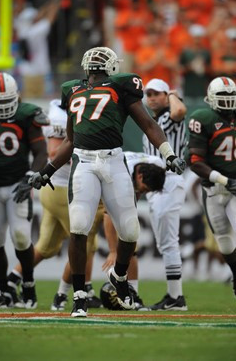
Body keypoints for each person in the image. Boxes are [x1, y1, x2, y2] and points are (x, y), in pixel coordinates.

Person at [28, 46, 186, 318]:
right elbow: (73, 139)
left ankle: (120, 277)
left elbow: (147, 125)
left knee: (129, 231)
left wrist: (168, 153)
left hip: (113, 161)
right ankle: (79, 297)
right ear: (111, 67)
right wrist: (48, 170)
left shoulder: (108, 88)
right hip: (85, 163)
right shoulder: (87, 89)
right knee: (79, 226)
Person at [7, 99, 103, 310]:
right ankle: (64, 295)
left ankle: (11, 280)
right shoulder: (60, 118)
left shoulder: (61, 113)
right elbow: (53, 152)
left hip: (53, 190)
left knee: (46, 247)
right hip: (61, 189)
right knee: (83, 242)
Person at [0, 72, 48, 308]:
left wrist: (31, 176)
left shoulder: (26, 115)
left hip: (17, 184)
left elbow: (41, 152)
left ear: (17, 97)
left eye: (7, 102)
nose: (3, 108)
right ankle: (3, 290)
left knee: (21, 236)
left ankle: (29, 285)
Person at [187, 76, 236, 296]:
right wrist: (226, 180)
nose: (228, 101)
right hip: (214, 189)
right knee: (224, 243)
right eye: (223, 96)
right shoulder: (203, 118)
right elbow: (195, 162)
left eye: (230, 96)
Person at [143, 78, 188, 311]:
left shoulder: (168, 117)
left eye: (156, 93)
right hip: (156, 185)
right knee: (164, 243)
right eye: (148, 93)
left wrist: (171, 93)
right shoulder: (152, 120)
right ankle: (174, 296)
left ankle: (176, 298)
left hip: (168, 181)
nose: (151, 97)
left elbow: (179, 110)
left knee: (169, 243)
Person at [101, 151, 166, 310]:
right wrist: (112, 251)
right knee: (84, 238)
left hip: (118, 180)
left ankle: (133, 294)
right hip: (96, 187)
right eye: (144, 189)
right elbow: (108, 215)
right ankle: (80, 293)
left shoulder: (158, 166)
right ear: (140, 177)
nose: (143, 193)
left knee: (130, 246)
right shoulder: (122, 175)